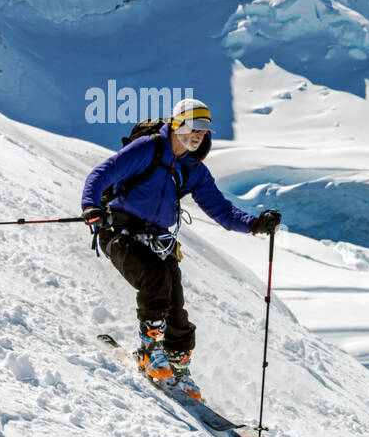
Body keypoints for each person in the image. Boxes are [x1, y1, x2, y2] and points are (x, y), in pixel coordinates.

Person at [81, 98, 280, 401]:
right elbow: (102, 173)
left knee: (176, 304)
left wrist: (255, 224)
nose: (200, 134)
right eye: (194, 126)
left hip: (159, 240)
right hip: (119, 232)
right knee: (156, 277)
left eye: (206, 128)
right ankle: (149, 353)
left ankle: (178, 366)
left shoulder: (193, 170)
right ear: (177, 124)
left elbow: (222, 211)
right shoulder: (147, 148)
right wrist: (91, 206)